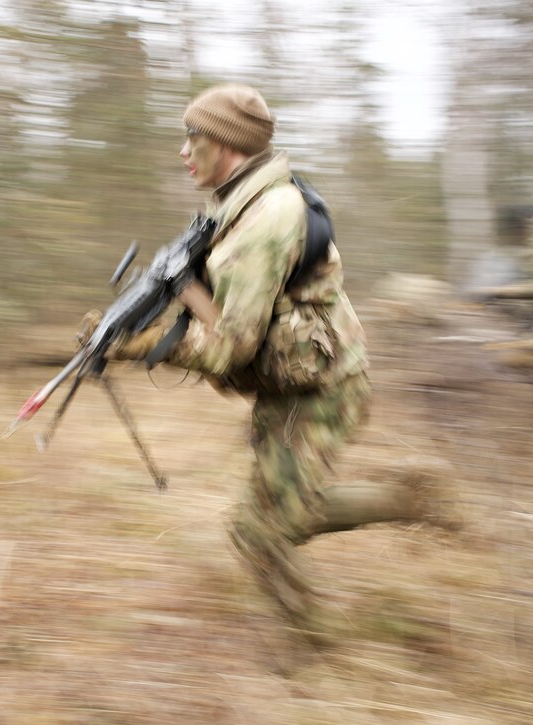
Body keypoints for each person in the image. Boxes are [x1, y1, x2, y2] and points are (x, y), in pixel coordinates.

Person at [85, 84, 456, 644]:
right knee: (272, 522)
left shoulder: (262, 223)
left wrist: (144, 346)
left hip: (323, 390)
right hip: (295, 384)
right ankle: (405, 507)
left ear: (227, 143)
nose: (183, 151)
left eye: (194, 136)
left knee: (258, 531)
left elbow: (231, 347)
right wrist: (172, 292)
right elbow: (227, 313)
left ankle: (316, 648)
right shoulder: (238, 206)